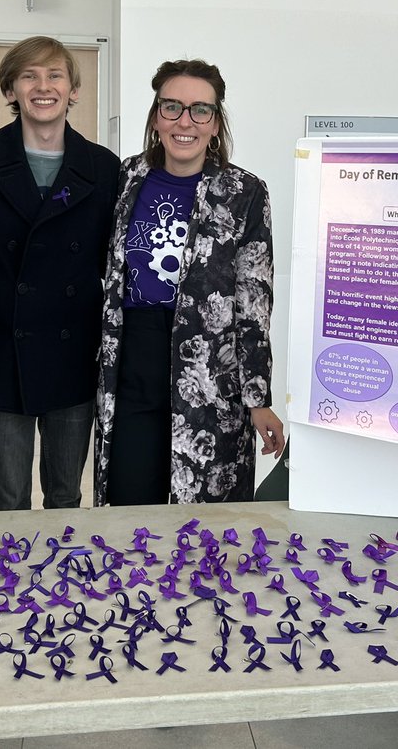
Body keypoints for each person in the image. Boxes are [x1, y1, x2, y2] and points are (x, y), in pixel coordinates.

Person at [93, 59, 285, 506]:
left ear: (215, 123)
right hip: (133, 360)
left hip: (211, 373)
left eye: (200, 110)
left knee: (202, 510)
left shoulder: (244, 193)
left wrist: (257, 397)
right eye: (172, 107)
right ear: (156, 117)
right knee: (129, 499)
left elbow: (254, 300)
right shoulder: (125, 180)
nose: (185, 121)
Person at [0, 37, 120, 510]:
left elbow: (119, 253)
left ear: (73, 90)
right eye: (29, 76)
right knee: (9, 497)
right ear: (11, 89)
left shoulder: (103, 168)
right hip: (2, 350)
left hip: (74, 352)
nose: (43, 87)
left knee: (66, 494)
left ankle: (64, 579)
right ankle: (11, 580)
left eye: (55, 75)